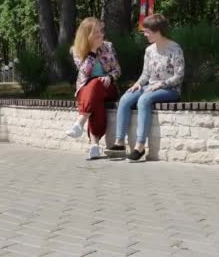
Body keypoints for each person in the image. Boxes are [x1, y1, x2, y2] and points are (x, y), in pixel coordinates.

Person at [108, 14, 185, 162]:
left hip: (170, 89)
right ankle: (119, 143)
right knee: (125, 98)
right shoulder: (149, 50)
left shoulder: (175, 49)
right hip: (151, 86)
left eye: (147, 31)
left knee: (144, 100)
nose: (144, 34)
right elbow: (145, 75)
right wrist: (137, 84)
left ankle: (140, 146)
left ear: (157, 31)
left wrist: (161, 84)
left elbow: (179, 76)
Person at [66, 17, 121, 159]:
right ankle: (94, 146)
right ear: (87, 34)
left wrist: (109, 77)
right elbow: (85, 72)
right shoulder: (76, 50)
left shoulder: (108, 46)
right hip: (87, 88)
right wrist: (92, 51)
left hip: (108, 87)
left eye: (101, 31)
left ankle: (80, 122)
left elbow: (117, 70)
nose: (100, 35)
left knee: (96, 85)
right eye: (96, 32)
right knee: (95, 97)